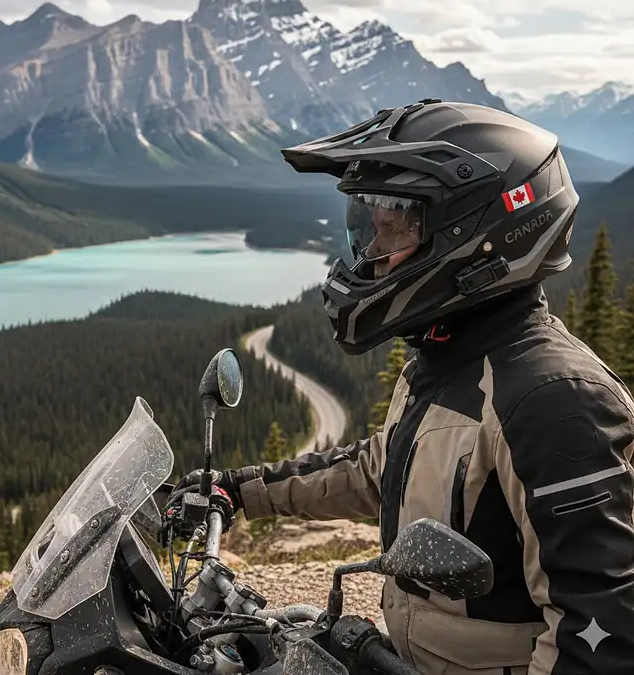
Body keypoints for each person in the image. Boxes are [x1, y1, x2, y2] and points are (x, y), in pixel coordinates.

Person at [168, 99, 634, 674]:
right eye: (366, 226)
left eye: (393, 228)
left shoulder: (554, 402)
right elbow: (380, 470)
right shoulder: (445, 360)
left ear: (480, 235)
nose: (370, 256)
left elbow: (600, 638)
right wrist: (239, 491)